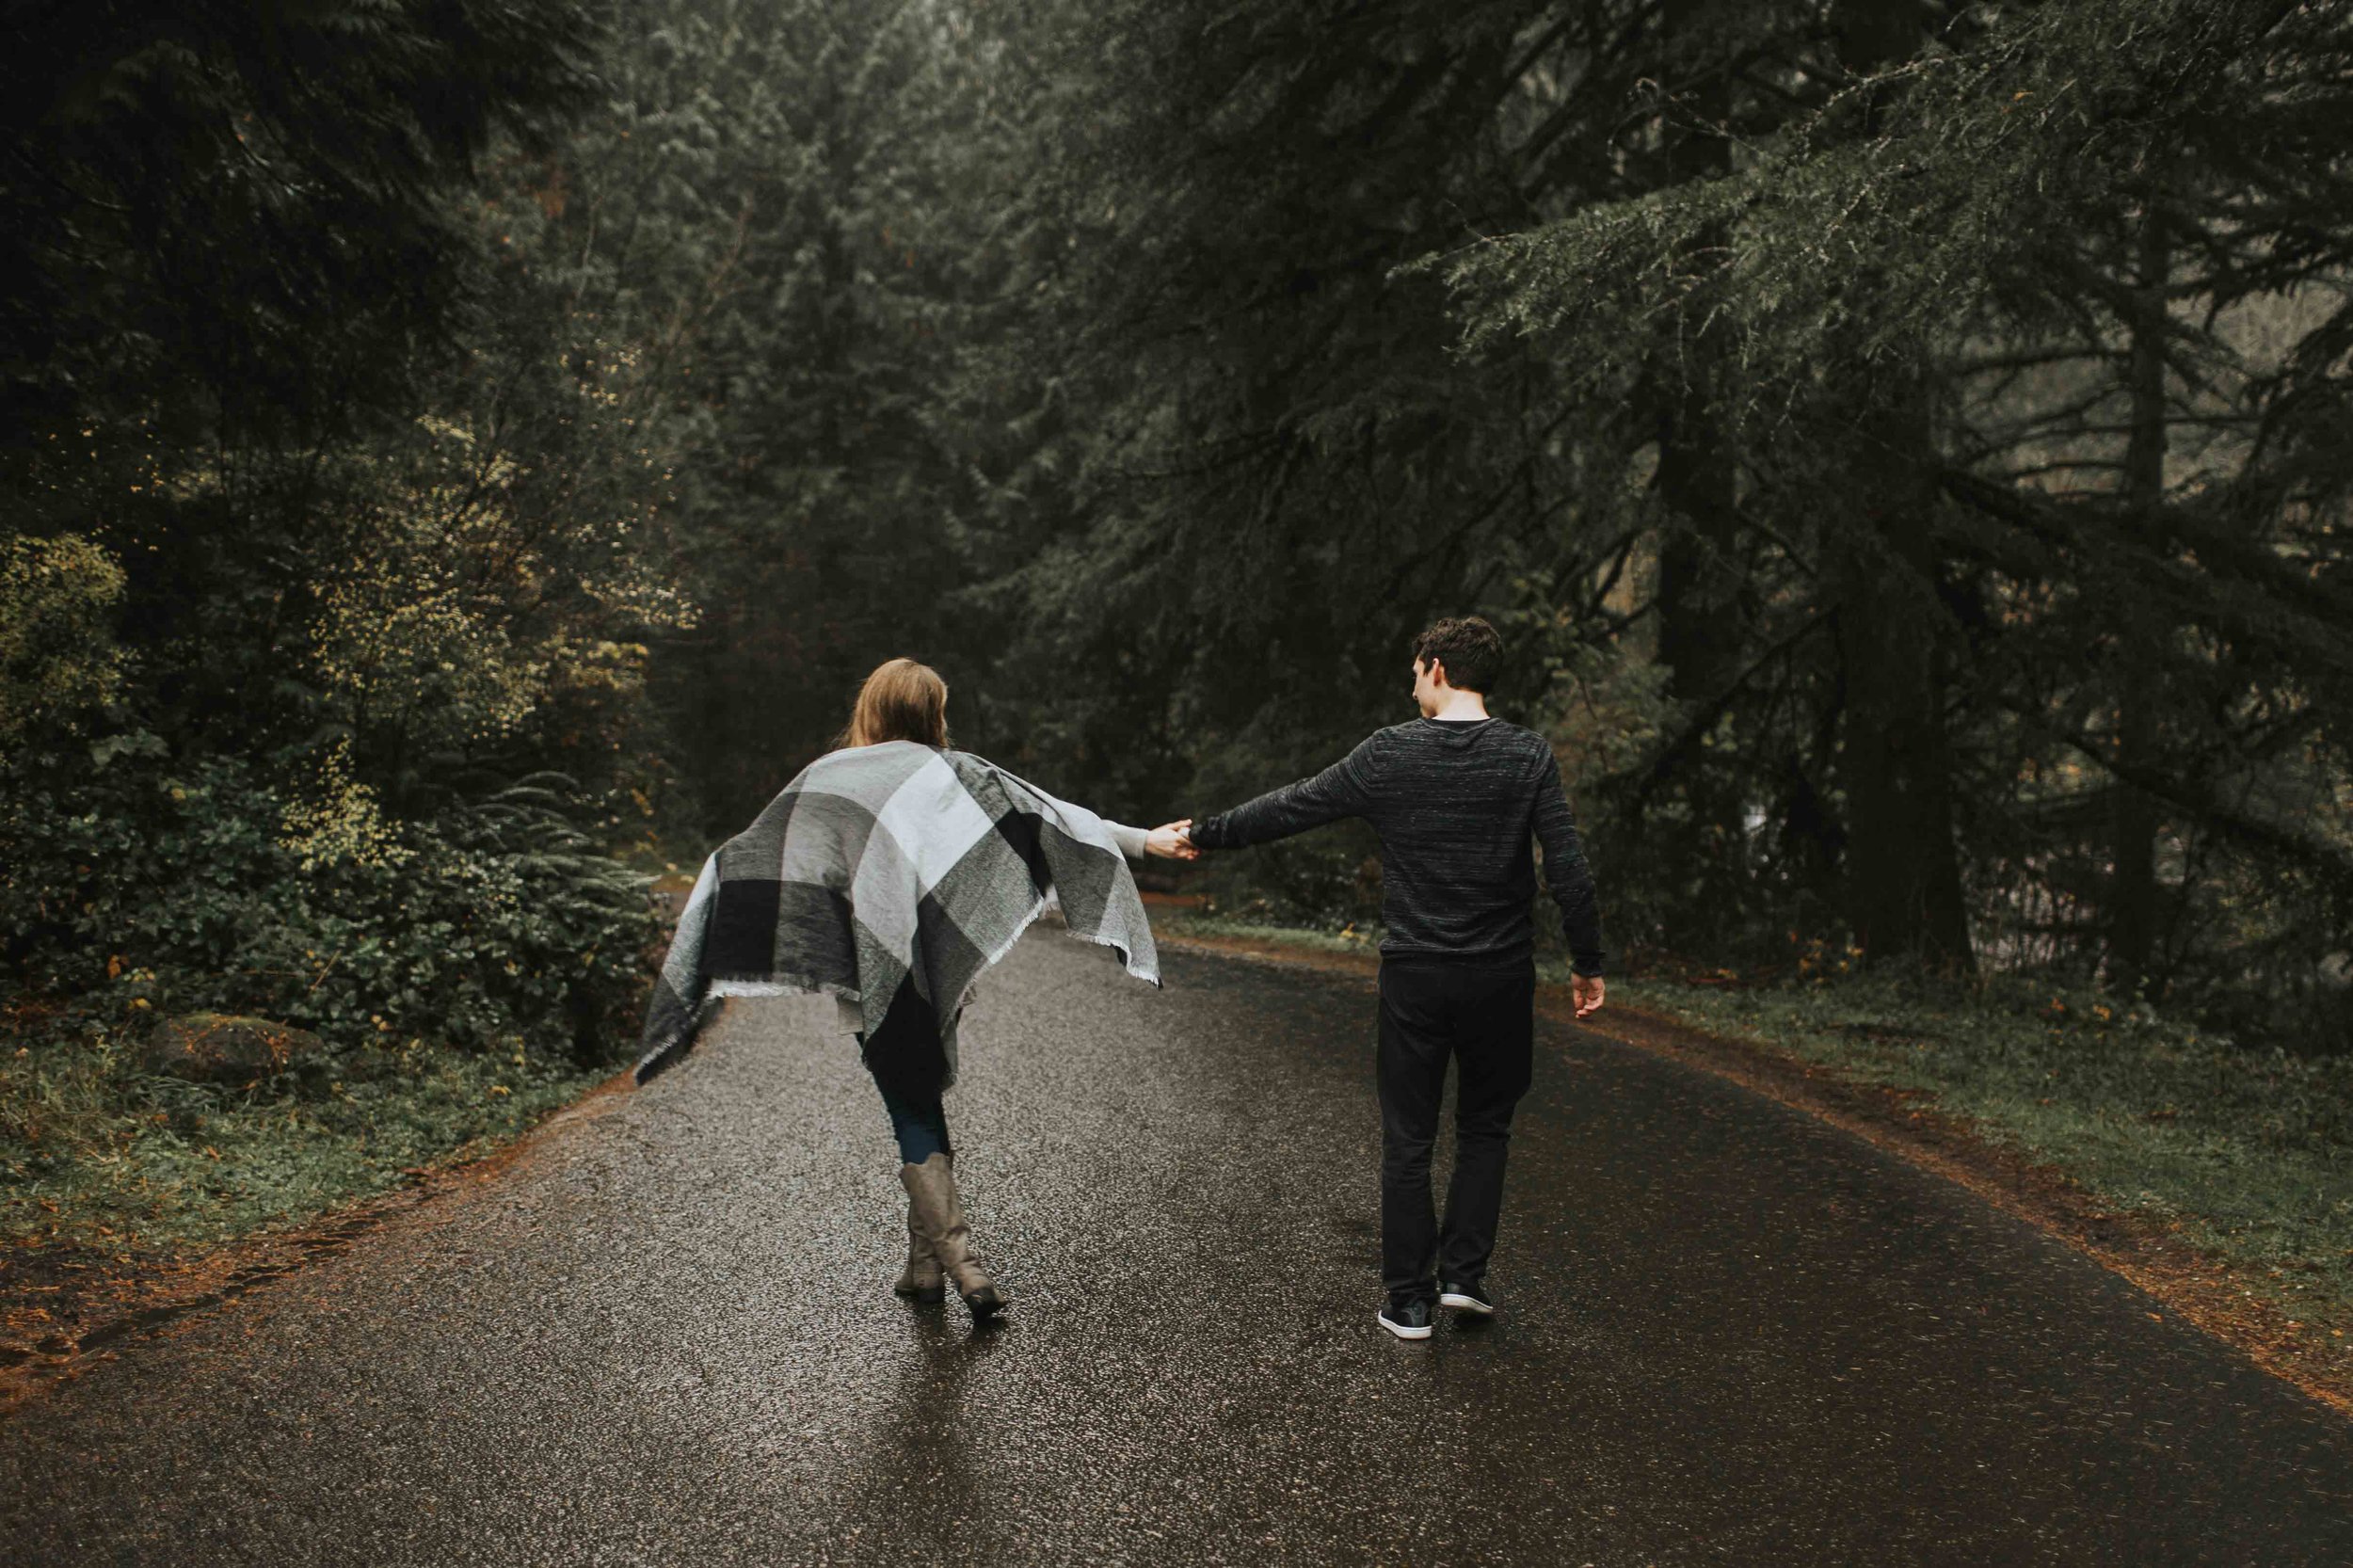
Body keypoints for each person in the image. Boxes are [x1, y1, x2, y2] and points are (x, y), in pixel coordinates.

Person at [633, 657, 1193, 1324]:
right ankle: (923, 1269)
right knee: (919, 1093)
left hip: (874, 977)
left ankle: (964, 1266)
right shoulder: (954, 775)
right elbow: (1053, 817)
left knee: (911, 1106)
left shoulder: (827, 777)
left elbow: (758, 852)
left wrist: (712, 892)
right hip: (936, 968)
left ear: (870, 708)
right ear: (933, 713)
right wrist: (1147, 842)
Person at [1181, 616, 1606, 1341]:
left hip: (1416, 975)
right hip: (1500, 976)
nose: (1412, 688)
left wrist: (1204, 832)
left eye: (1415, 673)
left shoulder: (1389, 754)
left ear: (1437, 667)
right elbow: (1567, 866)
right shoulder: (1527, 755)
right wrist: (1587, 961)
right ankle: (1463, 1278)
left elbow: (1294, 805)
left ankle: (1409, 1300)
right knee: (1485, 1127)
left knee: (1409, 1136)